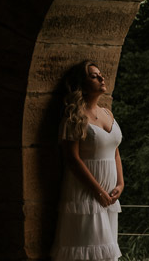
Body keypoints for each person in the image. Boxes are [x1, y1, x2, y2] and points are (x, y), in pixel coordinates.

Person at [51, 61, 124, 261]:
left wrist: (120, 183)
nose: (102, 78)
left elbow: (115, 151)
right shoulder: (74, 117)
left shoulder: (107, 113)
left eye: (100, 74)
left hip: (109, 195)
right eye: (94, 76)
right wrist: (97, 191)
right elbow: (72, 159)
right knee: (87, 250)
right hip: (85, 193)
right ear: (81, 84)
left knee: (106, 253)